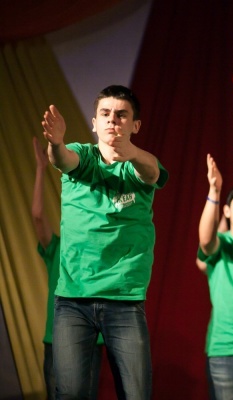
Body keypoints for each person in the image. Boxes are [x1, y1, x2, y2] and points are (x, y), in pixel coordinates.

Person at [41, 85, 169, 399]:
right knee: (70, 393)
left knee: (136, 393)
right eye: (105, 113)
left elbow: (152, 172)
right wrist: (55, 143)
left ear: (135, 125)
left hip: (124, 300)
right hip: (73, 301)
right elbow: (62, 158)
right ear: (95, 122)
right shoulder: (82, 156)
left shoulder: (139, 165)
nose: (113, 120)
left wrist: (132, 153)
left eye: (121, 115)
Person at [32, 136, 105, 400]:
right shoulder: (57, 247)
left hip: (90, 339)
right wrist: (41, 170)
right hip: (56, 339)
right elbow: (38, 216)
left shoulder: (98, 244)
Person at [197, 153, 233, 400]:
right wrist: (214, 191)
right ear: (227, 211)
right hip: (225, 349)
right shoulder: (221, 244)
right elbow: (206, 240)